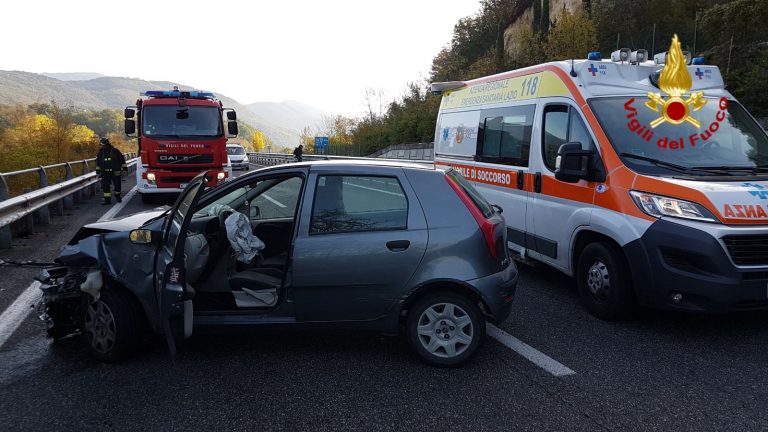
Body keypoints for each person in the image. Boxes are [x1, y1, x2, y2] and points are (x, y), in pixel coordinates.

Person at [95, 137, 127, 205]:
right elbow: (98, 164)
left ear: (106, 144)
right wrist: (98, 173)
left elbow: (122, 160)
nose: (102, 146)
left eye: (102, 145)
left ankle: (118, 197)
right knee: (105, 187)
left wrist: (124, 169)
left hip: (115, 172)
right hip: (105, 173)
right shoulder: (100, 153)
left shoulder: (115, 151)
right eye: (101, 145)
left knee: (117, 186)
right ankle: (107, 200)